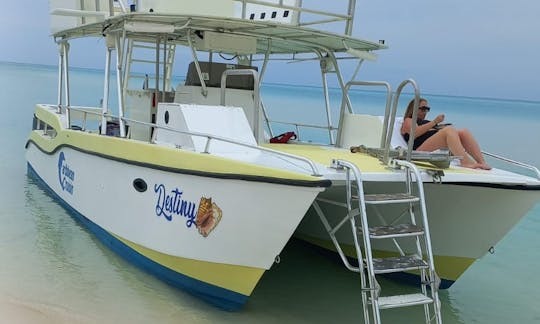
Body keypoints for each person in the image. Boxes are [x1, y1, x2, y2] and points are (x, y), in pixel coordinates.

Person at [400, 98, 491, 170]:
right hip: (418, 150)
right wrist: (435, 122)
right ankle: (466, 162)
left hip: (433, 148)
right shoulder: (408, 120)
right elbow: (415, 133)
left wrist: (439, 127)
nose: (425, 111)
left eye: (427, 109)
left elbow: (431, 132)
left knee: (463, 132)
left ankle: (481, 161)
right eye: (423, 109)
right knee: (449, 130)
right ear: (413, 109)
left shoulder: (425, 122)